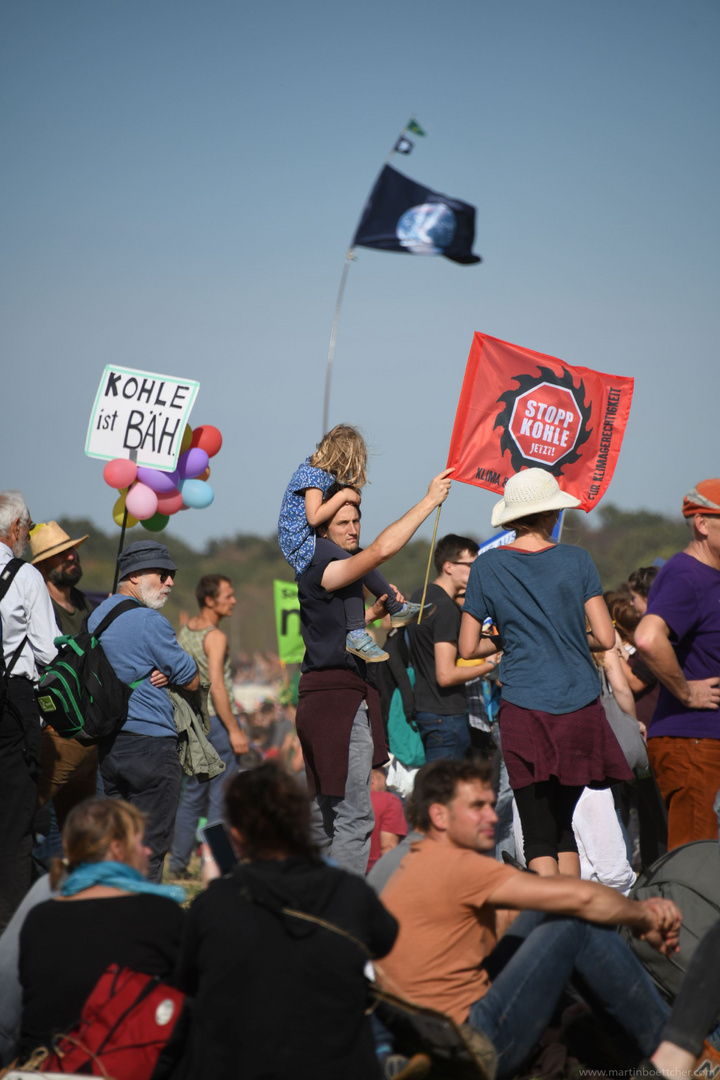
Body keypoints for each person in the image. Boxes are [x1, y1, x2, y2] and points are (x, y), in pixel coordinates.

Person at [377, 759, 680, 1080]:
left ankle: (628, 1049)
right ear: (438, 815)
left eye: (492, 805)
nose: (492, 817)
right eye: (477, 807)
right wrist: (644, 916)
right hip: (471, 1047)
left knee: (551, 912)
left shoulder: (414, 862)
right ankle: (676, 1051)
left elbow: (520, 916)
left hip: (430, 1036)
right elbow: (582, 898)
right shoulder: (457, 865)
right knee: (572, 922)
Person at [174, 762, 398, 1080]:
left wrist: (216, 887)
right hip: (338, 1064)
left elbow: (186, 979)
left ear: (235, 834)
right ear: (303, 822)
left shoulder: (216, 903)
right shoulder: (349, 891)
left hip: (240, 1065)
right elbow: (386, 939)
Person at [459, 469, 632, 876]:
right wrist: (564, 635)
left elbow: (467, 647)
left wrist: (509, 639)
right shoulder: (578, 559)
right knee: (562, 827)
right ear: (552, 513)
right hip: (579, 709)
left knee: (537, 833)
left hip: (525, 708)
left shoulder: (488, 566)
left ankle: (550, 925)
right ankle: (575, 924)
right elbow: (606, 637)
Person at [295, 469, 452, 875]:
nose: (352, 529)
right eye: (342, 523)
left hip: (322, 697)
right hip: (337, 700)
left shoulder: (323, 568)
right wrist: (429, 501)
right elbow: (381, 550)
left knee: (326, 815)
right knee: (353, 817)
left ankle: (316, 901)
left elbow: (331, 632)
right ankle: (344, 912)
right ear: (324, 529)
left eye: (355, 520)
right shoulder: (323, 564)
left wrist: (370, 615)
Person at [15, 797, 185, 1063]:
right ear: (118, 849)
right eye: (140, 843)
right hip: (119, 1066)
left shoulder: (41, 915)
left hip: (45, 1063)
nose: (148, 852)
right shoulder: (160, 913)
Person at [88, 540, 199, 882]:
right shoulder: (150, 622)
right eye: (163, 574)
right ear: (135, 576)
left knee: (114, 848)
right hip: (152, 746)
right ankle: (142, 922)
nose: (170, 582)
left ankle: (112, 920)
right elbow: (192, 679)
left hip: (108, 748)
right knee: (148, 850)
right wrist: (172, 672)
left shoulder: (96, 616)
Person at [278, 425, 432, 662]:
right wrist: (344, 495)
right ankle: (358, 632)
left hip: (310, 539)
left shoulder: (320, 474)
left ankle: (395, 607)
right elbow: (314, 517)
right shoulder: (312, 473)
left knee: (358, 562)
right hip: (302, 543)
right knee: (355, 563)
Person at [635, 479, 720, 849]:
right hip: (694, 740)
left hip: (704, 739)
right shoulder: (687, 575)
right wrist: (686, 693)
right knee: (695, 863)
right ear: (702, 524)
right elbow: (648, 638)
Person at [0, 491, 57, 931]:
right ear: (15, 529)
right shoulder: (25, 577)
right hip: (13, 705)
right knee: (15, 823)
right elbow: (47, 651)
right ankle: (10, 929)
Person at [168, 574, 249, 878]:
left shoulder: (185, 631)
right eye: (228, 595)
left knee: (191, 797)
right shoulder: (216, 637)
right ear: (210, 600)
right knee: (220, 797)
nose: (234, 600)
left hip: (192, 723)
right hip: (217, 721)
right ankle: (220, 865)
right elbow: (217, 686)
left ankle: (177, 864)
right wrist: (235, 730)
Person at [29, 521, 98, 830]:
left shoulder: (85, 603)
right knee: (22, 813)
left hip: (88, 731)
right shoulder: (37, 606)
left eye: (72, 550)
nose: (72, 557)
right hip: (54, 731)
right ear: (43, 566)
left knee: (79, 828)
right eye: (62, 554)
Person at [407, 534, 494, 761]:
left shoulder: (421, 595)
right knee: (445, 792)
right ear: (448, 566)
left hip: (426, 709)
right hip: (445, 716)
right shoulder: (445, 608)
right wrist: (490, 665)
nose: (476, 571)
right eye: (470, 565)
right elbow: (445, 675)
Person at [367, 766, 408, 873]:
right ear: (373, 778)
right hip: (376, 872)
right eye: (385, 775)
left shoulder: (344, 803)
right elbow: (388, 847)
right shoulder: (389, 800)